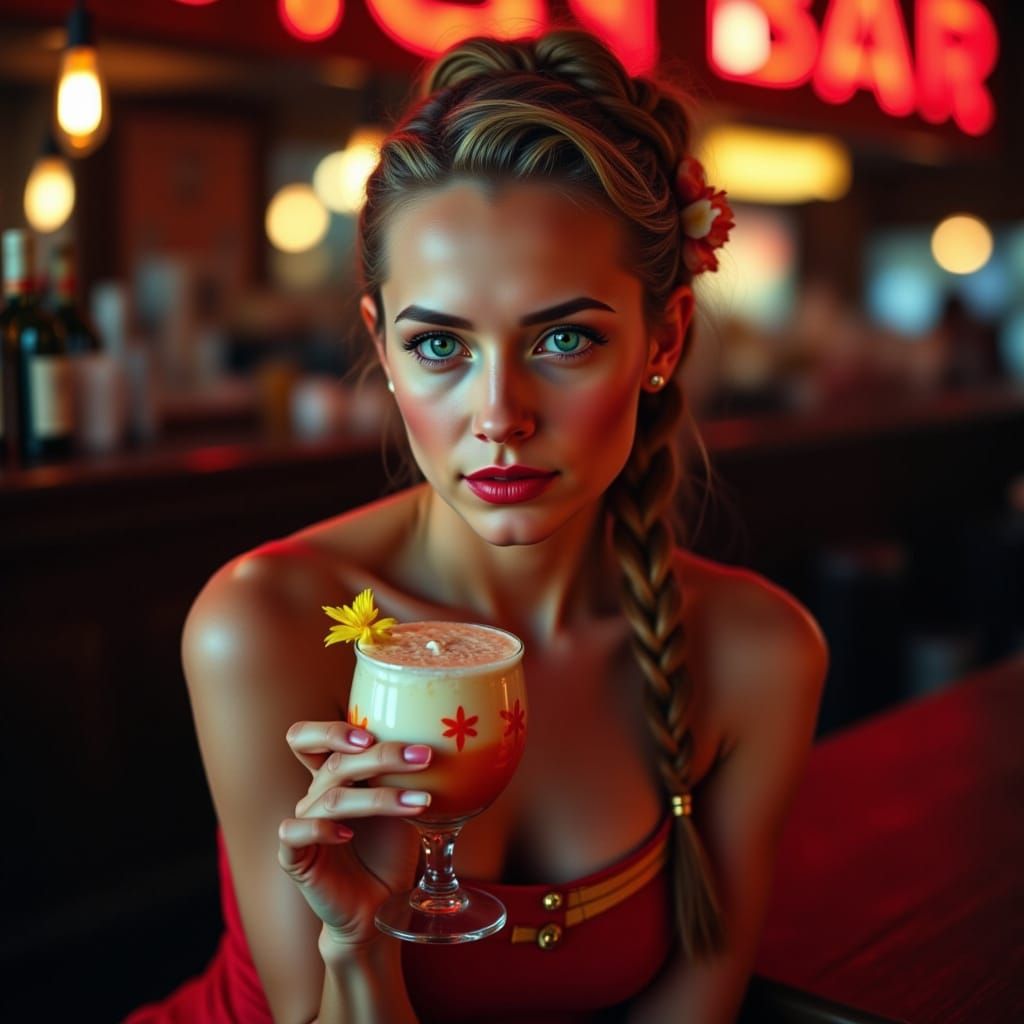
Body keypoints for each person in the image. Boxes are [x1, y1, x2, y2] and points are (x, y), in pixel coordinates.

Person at [125, 26, 828, 1024]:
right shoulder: (269, 623)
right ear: (382, 346)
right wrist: (357, 946)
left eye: (564, 338)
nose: (499, 414)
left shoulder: (758, 654)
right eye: (440, 345)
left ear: (663, 339)